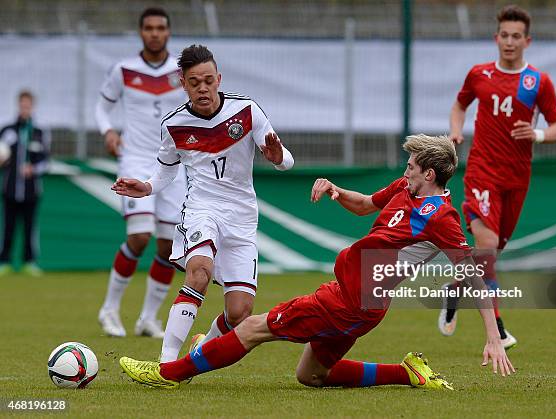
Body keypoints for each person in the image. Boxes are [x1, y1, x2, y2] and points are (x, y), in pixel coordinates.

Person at [118, 134, 514, 389]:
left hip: (349, 301)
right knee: (310, 375)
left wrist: (492, 336)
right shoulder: (404, 189)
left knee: (255, 327)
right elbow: (364, 206)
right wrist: (335, 190)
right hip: (363, 305)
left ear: (428, 174)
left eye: (411, 166)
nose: (404, 170)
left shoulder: (443, 218)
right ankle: (406, 372)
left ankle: (168, 373)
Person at [111, 44, 295, 364]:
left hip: (241, 217)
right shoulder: (174, 124)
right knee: (199, 272)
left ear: (219, 79)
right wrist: (148, 187)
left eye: (208, 80)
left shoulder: (247, 110)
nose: (203, 88)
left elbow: (286, 160)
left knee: (239, 313)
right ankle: (166, 363)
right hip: (201, 209)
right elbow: (166, 170)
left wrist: (279, 158)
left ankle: (201, 348)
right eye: (195, 82)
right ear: (183, 83)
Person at [441, 4, 556, 348]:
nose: (509, 42)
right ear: (496, 38)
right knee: (488, 247)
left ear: (527, 41)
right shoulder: (479, 74)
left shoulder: (538, 81)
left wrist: (536, 135)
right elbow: (459, 105)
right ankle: (498, 328)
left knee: (489, 256)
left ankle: (455, 292)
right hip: (482, 171)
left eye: (516, 37)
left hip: (517, 177)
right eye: (504, 36)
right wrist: (455, 131)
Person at [95, 7, 188, 338]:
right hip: (134, 159)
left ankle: (148, 318)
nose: (154, 33)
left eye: (160, 27)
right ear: (140, 32)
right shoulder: (123, 70)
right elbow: (102, 107)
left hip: (172, 167)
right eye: (148, 28)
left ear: (168, 32)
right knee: (139, 236)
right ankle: (109, 310)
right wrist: (108, 131)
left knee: (167, 248)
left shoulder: (182, 71)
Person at [0, 91, 50, 277]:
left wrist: (33, 169)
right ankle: (4, 262)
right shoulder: (7, 130)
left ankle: (29, 262)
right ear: (18, 106)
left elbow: (46, 162)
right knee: (8, 227)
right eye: (22, 105)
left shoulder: (39, 133)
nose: (25, 109)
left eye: (28, 105)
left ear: (32, 107)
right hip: (9, 189)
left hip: (31, 191)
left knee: (30, 228)